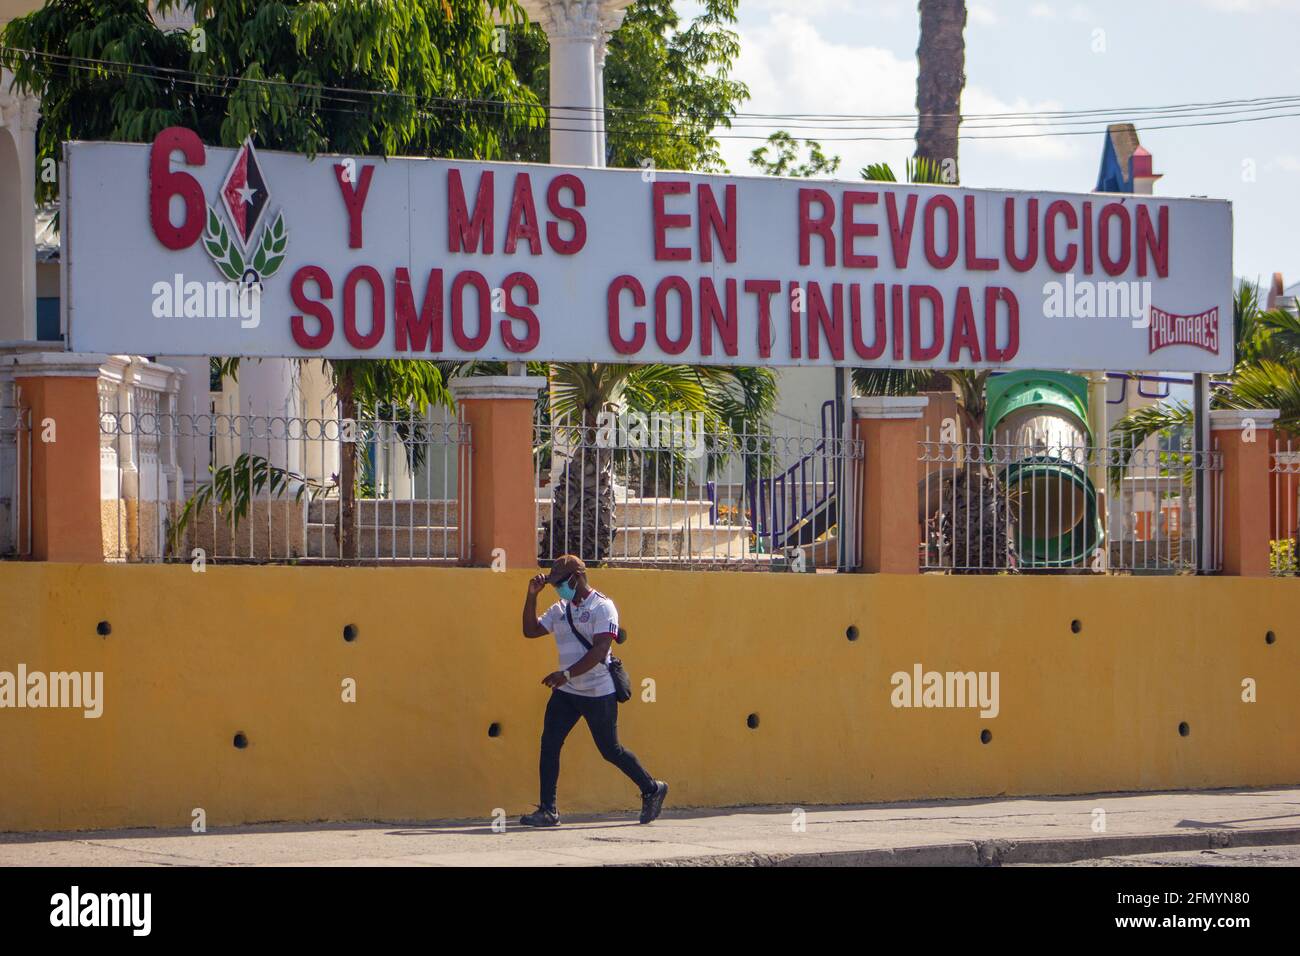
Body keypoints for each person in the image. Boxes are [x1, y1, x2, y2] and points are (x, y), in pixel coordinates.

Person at [519, 554, 668, 827]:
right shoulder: (560, 609)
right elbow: (529, 631)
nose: (557, 589)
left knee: (610, 750)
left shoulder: (603, 607)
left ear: (576, 578)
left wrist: (565, 674)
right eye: (554, 585)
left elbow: (601, 651)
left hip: (598, 691)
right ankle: (548, 810)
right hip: (567, 692)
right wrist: (532, 596)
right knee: (549, 744)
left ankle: (652, 788)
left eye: (560, 583)